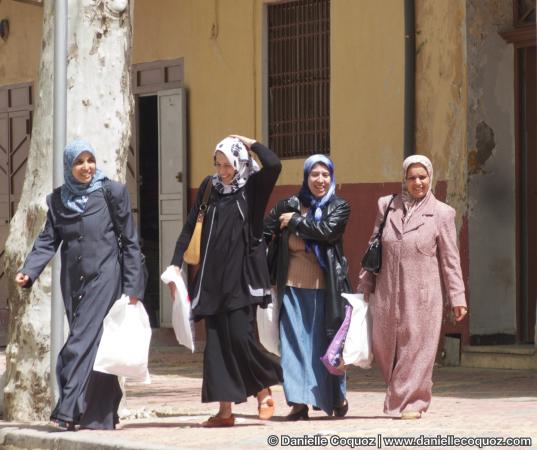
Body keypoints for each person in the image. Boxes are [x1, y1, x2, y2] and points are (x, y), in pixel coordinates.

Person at [15, 139, 145, 430]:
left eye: (90, 160)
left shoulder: (112, 192)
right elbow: (48, 239)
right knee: (96, 347)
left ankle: (68, 409)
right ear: (68, 166)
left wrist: (133, 287)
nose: (87, 167)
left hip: (106, 277)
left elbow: (130, 241)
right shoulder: (59, 199)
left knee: (79, 344)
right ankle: (99, 416)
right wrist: (30, 271)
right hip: (74, 282)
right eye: (79, 162)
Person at [168, 135, 283, 427]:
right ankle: (225, 412)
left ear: (240, 162)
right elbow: (189, 227)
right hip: (211, 279)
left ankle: (266, 386)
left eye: (227, 165)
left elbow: (273, 164)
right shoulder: (209, 188)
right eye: (218, 164)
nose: (222, 171)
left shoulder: (254, 188)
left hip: (242, 278)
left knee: (240, 337)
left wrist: (251, 142)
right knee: (217, 345)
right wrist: (174, 266)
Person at [357, 154, 468, 420]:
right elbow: (373, 245)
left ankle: (412, 403)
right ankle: (400, 395)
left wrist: (457, 297)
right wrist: (365, 284)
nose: (417, 182)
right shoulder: (386, 206)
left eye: (422, 177)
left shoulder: (442, 213)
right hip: (386, 292)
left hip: (423, 295)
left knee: (417, 349)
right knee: (384, 346)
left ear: (430, 178)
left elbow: (451, 260)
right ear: (404, 180)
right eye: (412, 178)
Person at [263, 154, 351, 420]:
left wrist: (295, 222)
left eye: (325, 174)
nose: (320, 180)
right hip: (290, 284)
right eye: (315, 174)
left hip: (327, 288)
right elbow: (265, 232)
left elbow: (326, 231)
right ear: (305, 176)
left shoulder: (340, 206)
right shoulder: (288, 204)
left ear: (332, 177)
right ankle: (299, 403)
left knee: (326, 344)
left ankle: (335, 397)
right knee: (292, 345)